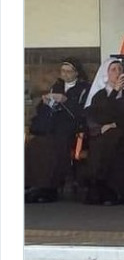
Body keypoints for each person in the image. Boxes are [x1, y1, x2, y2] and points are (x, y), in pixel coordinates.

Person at [25, 58, 90, 203]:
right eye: (63, 71)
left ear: (77, 73)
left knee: (52, 146)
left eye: (69, 71)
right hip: (52, 128)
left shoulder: (84, 89)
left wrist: (66, 101)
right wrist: (46, 103)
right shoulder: (57, 86)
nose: (65, 74)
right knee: (35, 144)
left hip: (72, 130)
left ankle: (48, 186)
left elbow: (83, 112)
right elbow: (43, 111)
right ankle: (31, 183)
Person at [84, 59, 124, 205]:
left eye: (120, 69)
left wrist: (115, 124)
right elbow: (102, 117)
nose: (118, 72)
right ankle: (101, 187)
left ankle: (112, 190)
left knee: (113, 138)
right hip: (104, 137)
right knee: (104, 141)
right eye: (113, 69)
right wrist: (114, 93)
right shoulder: (100, 95)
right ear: (106, 74)